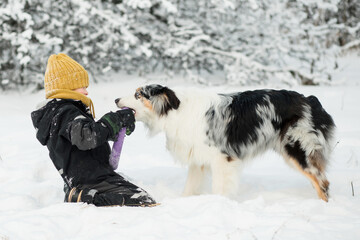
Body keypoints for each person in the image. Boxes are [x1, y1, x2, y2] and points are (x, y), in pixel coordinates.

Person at [31, 53, 156, 207]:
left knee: (138, 195)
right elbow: (87, 137)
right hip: (91, 179)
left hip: (91, 176)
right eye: (81, 86)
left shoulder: (64, 112)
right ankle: (83, 197)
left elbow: (88, 135)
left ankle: (80, 192)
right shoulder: (65, 112)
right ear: (66, 86)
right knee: (142, 200)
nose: (86, 92)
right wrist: (115, 120)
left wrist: (117, 129)